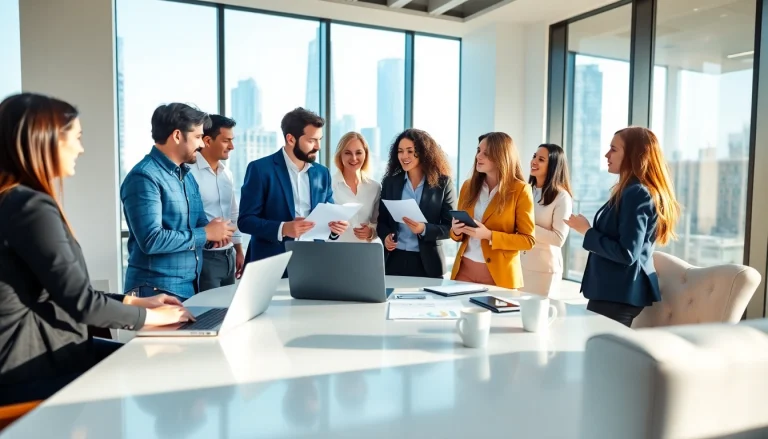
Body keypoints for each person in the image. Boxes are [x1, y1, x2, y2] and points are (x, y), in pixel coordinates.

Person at [0, 93, 194, 405]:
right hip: (33, 367)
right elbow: (81, 303)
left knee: (159, 364)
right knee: (163, 366)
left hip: (47, 353)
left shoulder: (15, 201)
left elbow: (66, 292)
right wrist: (155, 318)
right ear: (44, 141)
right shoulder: (29, 207)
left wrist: (136, 300)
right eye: (75, 137)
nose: (81, 148)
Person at [565, 127, 680, 327]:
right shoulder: (629, 190)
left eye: (613, 149)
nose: (606, 155)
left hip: (618, 294)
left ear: (634, 155)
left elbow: (627, 253)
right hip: (613, 292)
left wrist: (586, 231)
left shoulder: (637, 193)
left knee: (599, 354)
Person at [121, 103, 236, 300]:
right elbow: (151, 240)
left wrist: (213, 236)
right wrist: (205, 233)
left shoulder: (186, 176)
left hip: (189, 289)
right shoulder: (144, 176)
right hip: (154, 292)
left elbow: (198, 225)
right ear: (177, 136)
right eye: (198, 137)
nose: (202, 145)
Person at [238, 107, 348, 266]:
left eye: (319, 139)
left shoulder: (322, 173)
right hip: (270, 262)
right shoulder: (260, 169)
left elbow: (328, 215)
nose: (318, 146)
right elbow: (246, 221)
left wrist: (335, 228)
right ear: (290, 139)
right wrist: (283, 228)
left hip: (313, 261)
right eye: (311, 140)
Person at [449, 132, 535, 289]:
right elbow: (457, 237)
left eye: (486, 153)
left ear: (501, 156)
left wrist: (489, 235)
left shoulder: (520, 190)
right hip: (464, 271)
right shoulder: (468, 186)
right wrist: (455, 231)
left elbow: (528, 240)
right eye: (478, 151)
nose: (478, 156)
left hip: (499, 276)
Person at [377, 128, 456, 278]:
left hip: (427, 263)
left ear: (423, 152)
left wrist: (423, 229)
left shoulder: (443, 184)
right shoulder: (390, 182)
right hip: (394, 259)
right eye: (400, 151)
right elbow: (382, 221)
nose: (404, 156)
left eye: (409, 151)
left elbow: (450, 228)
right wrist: (386, 236)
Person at [188, 115, 245, 292]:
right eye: (226, 140)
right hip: (203, 256)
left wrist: (238, 250)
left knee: (226, 312)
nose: (232, 146)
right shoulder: (188, 173)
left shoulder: (226, 173)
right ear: (207, 141)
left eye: (232, 140)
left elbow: (232, 212)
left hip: (228, 255)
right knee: (208, 313)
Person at [520, 143, 573, 296]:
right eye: (534, 156)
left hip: (543, 271)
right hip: (520, 265)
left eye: (541, 159)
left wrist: (525, 226)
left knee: (538, 316)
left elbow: (558, 239)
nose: (534, 161)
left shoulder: (562, 196)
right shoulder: (526, 190)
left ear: (553, 166)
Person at [331, 132, 381, 243]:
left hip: (365, 253)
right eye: (348, 153)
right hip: (336, 252)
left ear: (366, 155)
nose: (354, 158)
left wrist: (371, 232)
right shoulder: (329, 186)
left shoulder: (374, 187)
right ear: (340, 155)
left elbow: (378, 223)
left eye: (358, 153)